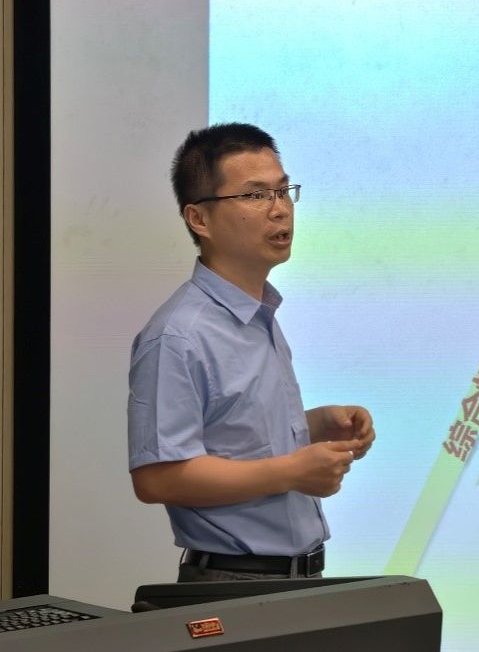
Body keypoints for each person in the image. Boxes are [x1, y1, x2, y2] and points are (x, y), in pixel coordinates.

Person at [126, 123, 375, 582]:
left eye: (283, 191)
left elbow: (232, 435)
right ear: (199, 219)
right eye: (256, 195)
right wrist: (292, 472)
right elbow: (157, 477)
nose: (279, 210)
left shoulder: (259, 313)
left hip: (299, 578)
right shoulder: (179, 335)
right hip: (234, 582)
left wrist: (316, 425)